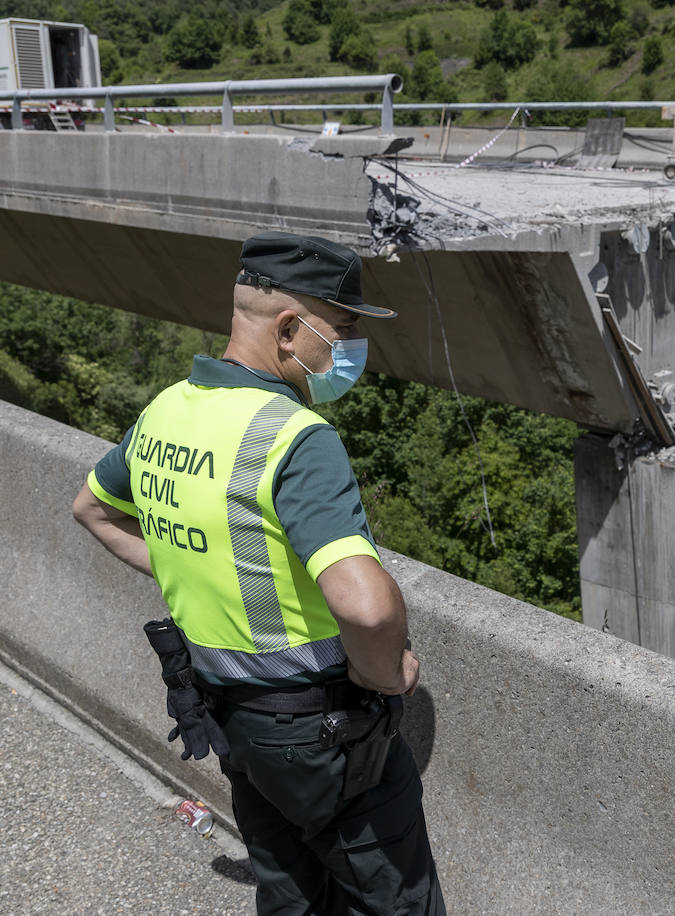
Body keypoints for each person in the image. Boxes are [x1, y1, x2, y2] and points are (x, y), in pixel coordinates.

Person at [72, 231, 445, 916]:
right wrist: (386, 675)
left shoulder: (166, 411)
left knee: (290, 895)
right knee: (396, 903)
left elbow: (93, 509)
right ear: (288, 329)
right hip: (325, 732)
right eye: (343, 330)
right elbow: (365, 607)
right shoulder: (296, 437)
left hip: (232, 721)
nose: (350, 349)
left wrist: (194, 564)